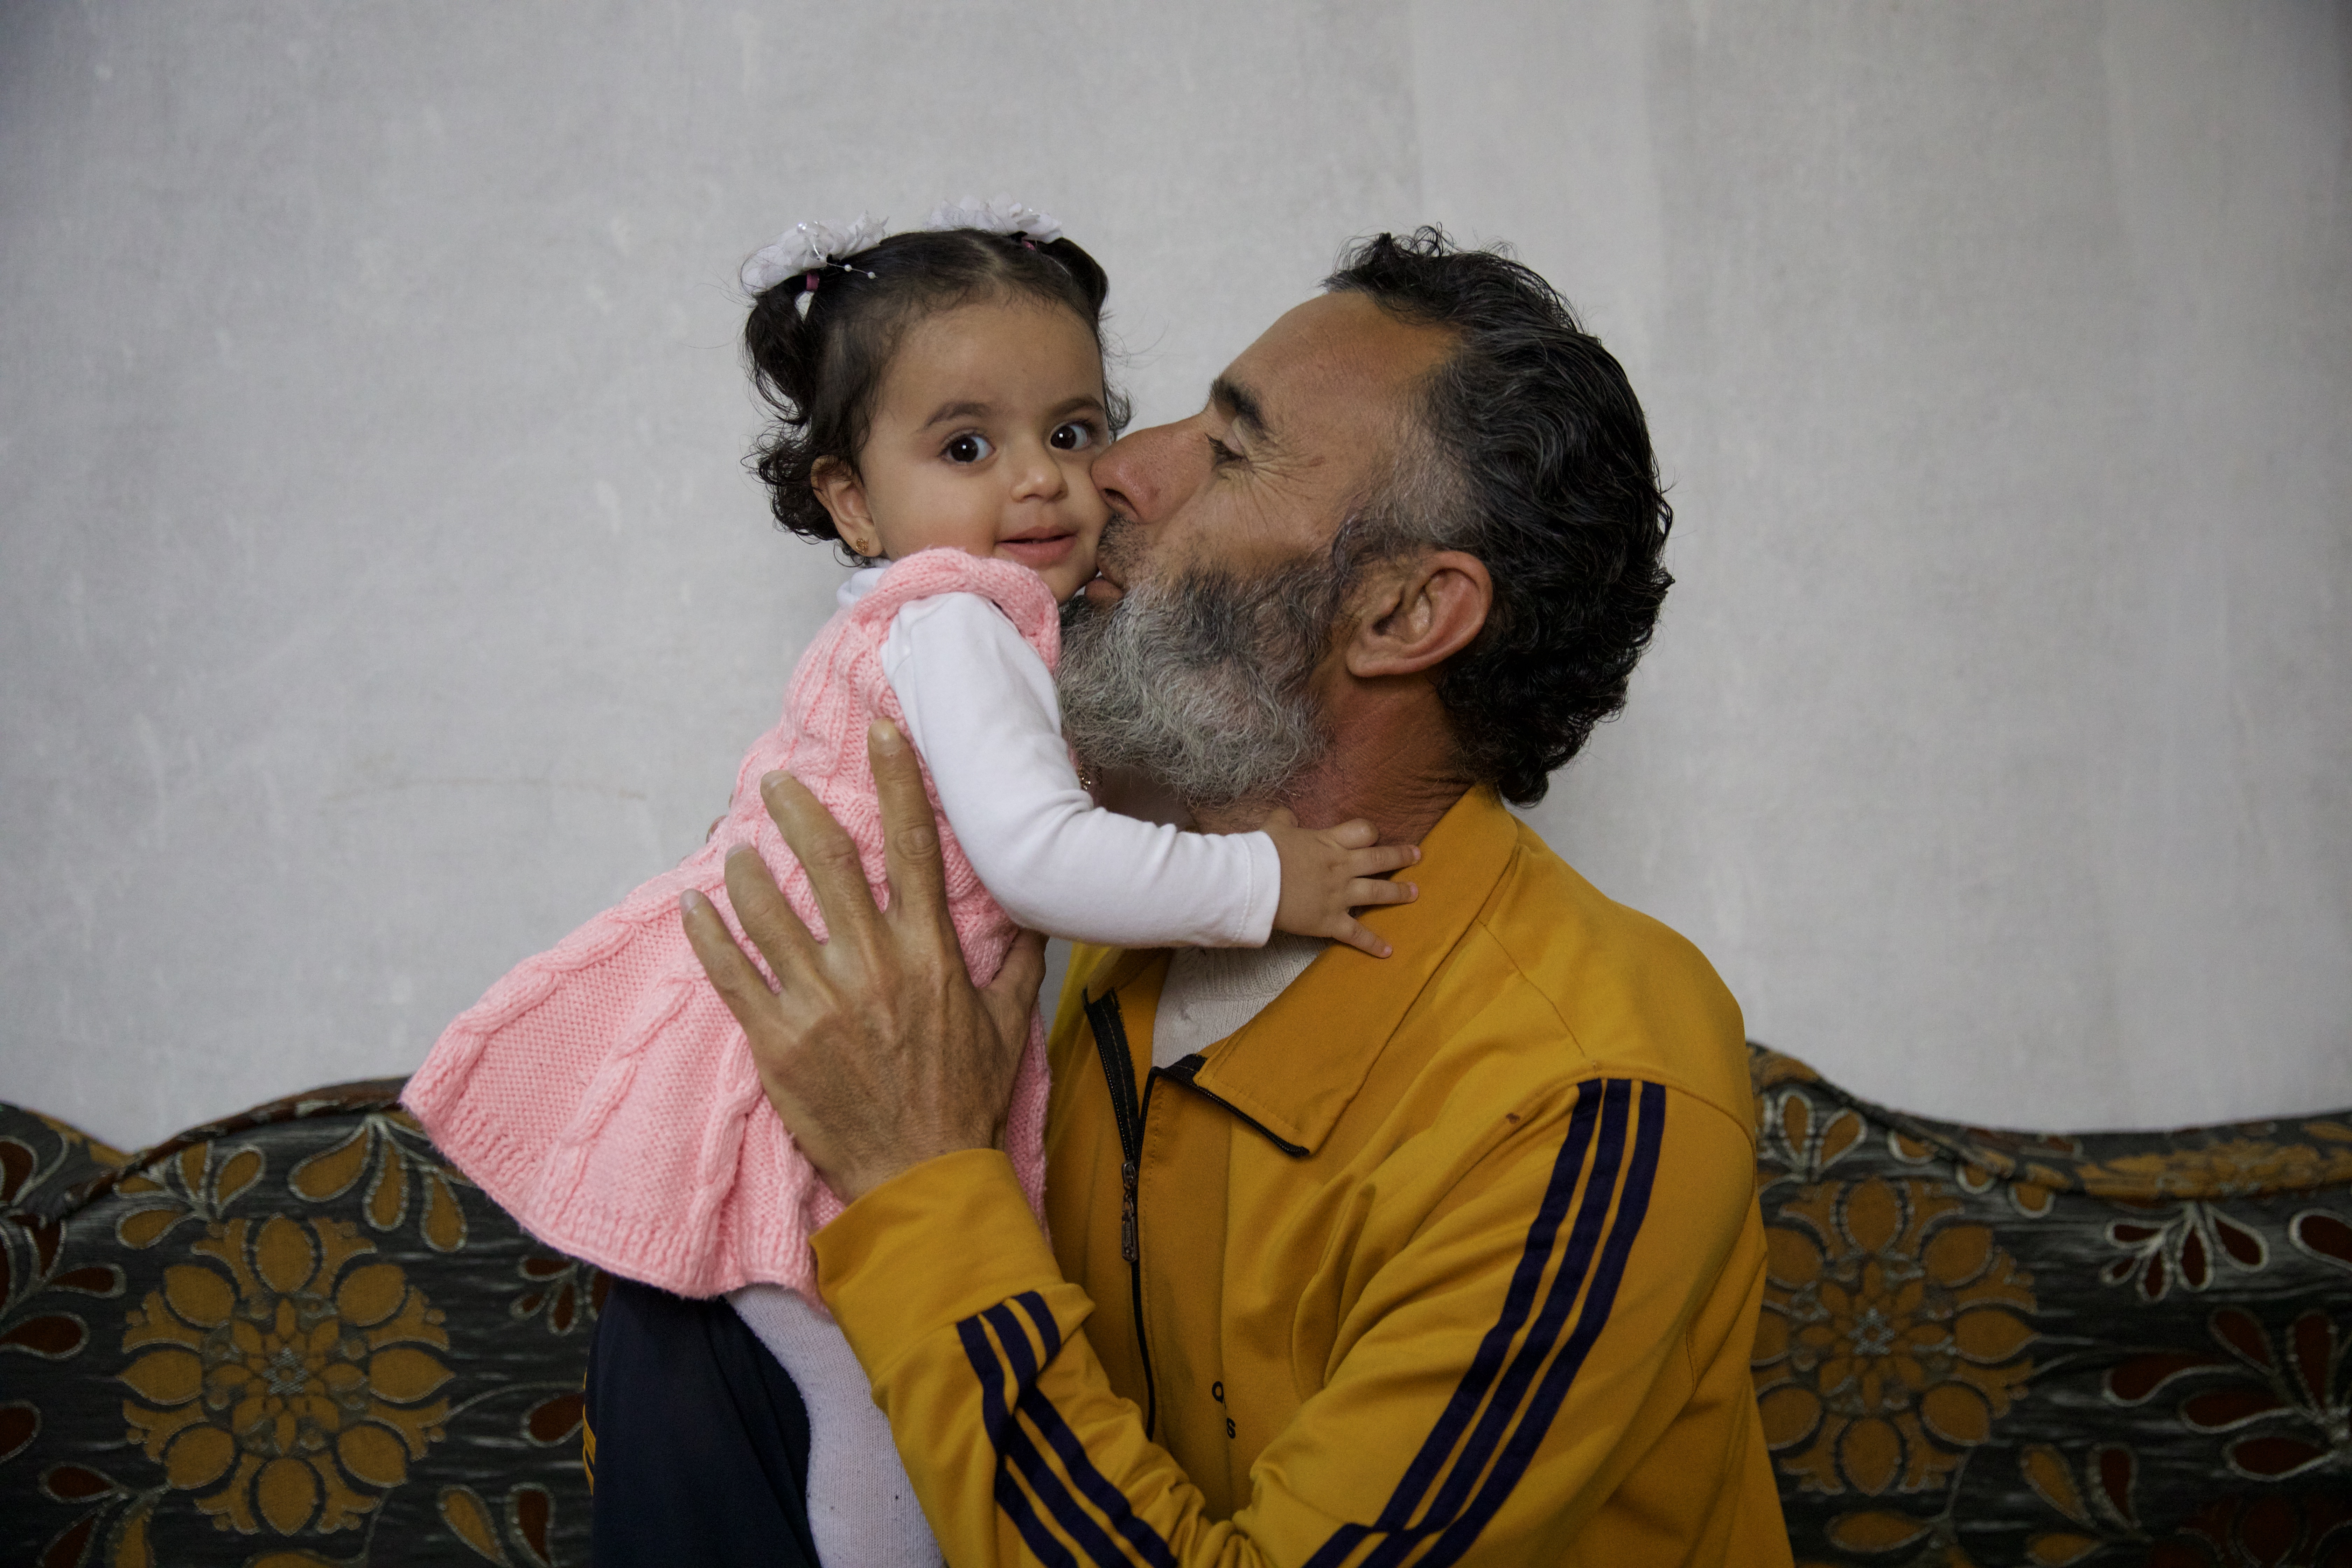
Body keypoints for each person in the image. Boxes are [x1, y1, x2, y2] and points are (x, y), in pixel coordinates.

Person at [674, 227, 1795, 1565]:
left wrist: (921, 1181)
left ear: (1399, 615)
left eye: (1232, 447)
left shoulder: (1587, 1098)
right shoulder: (1127, 936)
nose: (1110, 474)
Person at [402, 202, 1417, 1568]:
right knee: (870, 1391)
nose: (1045, 482)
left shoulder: (971, 631)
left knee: (864, 1385)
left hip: (845, 1054)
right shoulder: (959, 623)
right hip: (823, 1083)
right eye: (965, 446)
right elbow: (1039, 858)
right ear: (850, 498)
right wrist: (1263, 882)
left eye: (1071, 431)